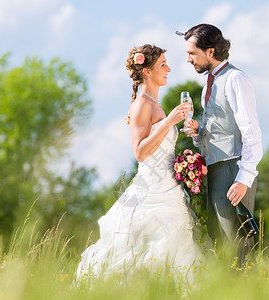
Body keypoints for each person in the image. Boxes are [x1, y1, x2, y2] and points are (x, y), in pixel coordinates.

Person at [76, 44, 202, 281]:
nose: (169, 69)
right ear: (147, 71)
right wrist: (170, 121)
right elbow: (141, 153)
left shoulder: (155, 104)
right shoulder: (142, 104)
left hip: (169, 188)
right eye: (163, 65)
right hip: (151, 192)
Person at [182, 24, 263, 262]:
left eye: (191, 53)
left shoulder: (235, 78)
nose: (188, 59)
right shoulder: (212, 81)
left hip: (231, 170)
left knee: (238, 249)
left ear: (210, 51)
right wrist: (199, 131)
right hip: (215, 169)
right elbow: (222, 130)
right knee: (222, 249)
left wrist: (243, 178)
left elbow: (251, 131)